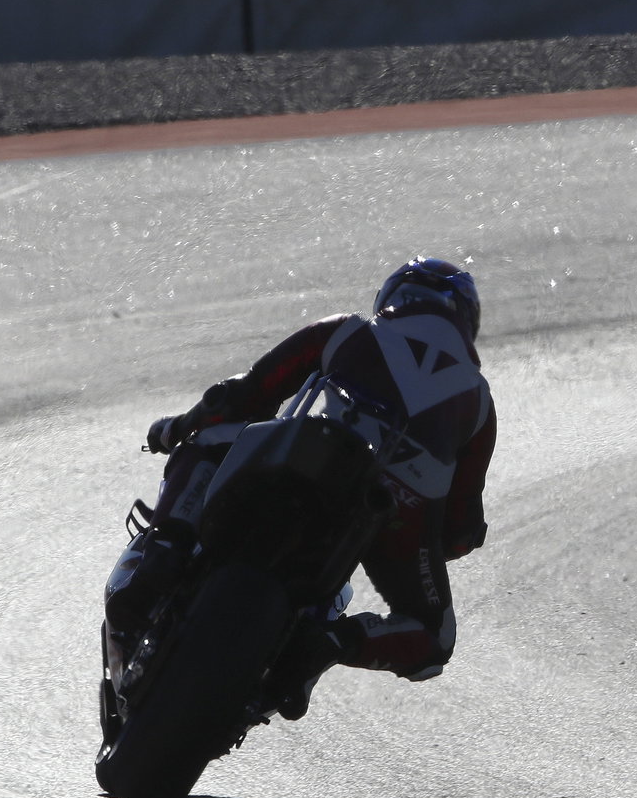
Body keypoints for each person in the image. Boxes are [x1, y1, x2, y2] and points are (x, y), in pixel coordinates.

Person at [106, 257, 495, 717]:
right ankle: (330, 642)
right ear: (466, 322)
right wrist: (429, 544)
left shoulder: (350, 330)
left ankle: (165, 551)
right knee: (435, 637)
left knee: (208, 437)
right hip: (394, 509)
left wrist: (177, 428)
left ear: (392, 299)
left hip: (310, 448)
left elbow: (242, 394)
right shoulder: (479, 400)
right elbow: (460, 524)